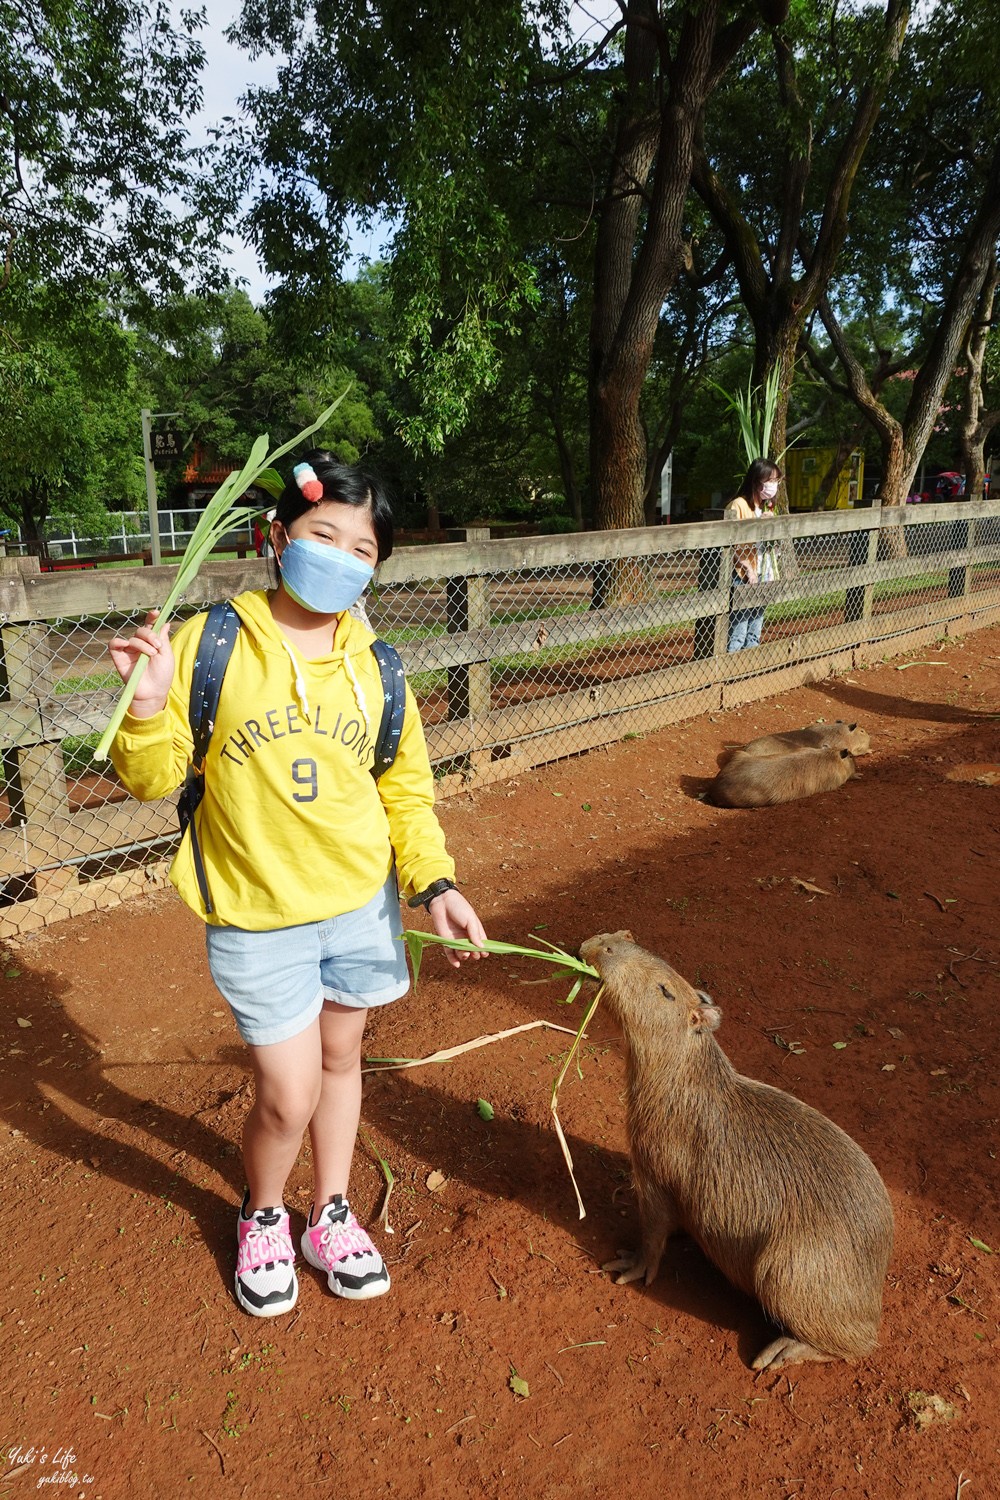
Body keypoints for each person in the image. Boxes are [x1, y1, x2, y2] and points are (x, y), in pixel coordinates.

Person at [108, 452, 488, 1319]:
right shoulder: (214, 643)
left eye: (362, 548)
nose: (341, 556)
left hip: (359, 909)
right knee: (287, 1091)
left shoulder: (381, 668)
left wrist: (433, 883)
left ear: (376, 568)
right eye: (324, 534)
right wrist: (145, 704)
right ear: (278, 538)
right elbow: (154, 773)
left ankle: (333, 1209)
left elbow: (404, 791)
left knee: (341, 1060)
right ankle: (264, 1212)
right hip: (255, 917)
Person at [724, 458, 782, 652]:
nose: (773, 486)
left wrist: (770, 527)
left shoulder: (766, 508)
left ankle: (749, 671)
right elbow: (729, 544)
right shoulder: (738, 505)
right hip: (742, 574)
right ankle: (731, 672)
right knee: (739, 629)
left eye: (776, 481)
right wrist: (747, 568)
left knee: (755, 629)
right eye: (771, 480)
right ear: (758, 481)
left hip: (763, 572)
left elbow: (772, 544)